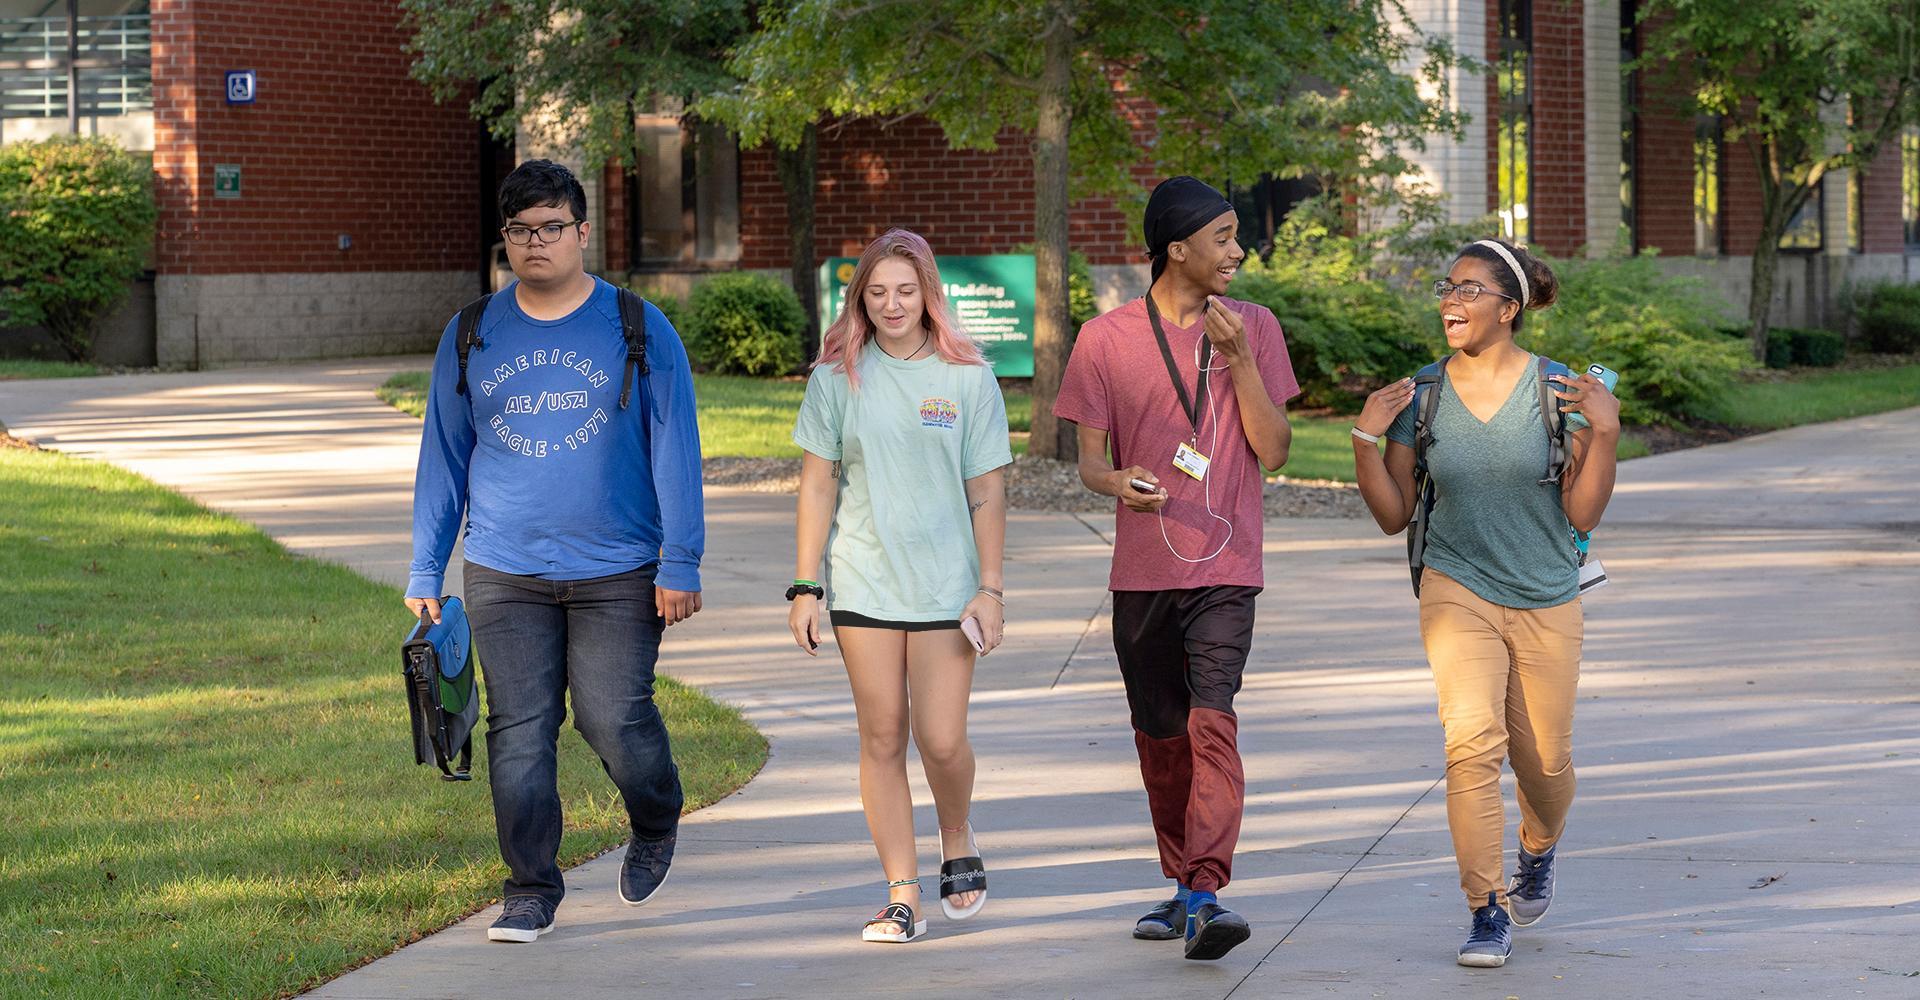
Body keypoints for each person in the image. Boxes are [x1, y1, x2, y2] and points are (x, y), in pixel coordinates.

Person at [406, 159, 705, 944]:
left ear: (580, 231)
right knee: (519, 730)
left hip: (620, 568)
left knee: (614, 720)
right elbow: (443, 454)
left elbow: (676, 444)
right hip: (506, 567)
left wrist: (682, 561)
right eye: (519, 231)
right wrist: (424, 567)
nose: (535, 243)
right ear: (505, 240)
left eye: (550, 228)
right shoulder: (472, 332)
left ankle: (656, 814)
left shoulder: (637, 325)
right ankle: (531, 887)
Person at [1349, 237, 1620, 968]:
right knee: (1470, 745)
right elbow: (1394, 514)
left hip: (1546, 591)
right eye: (1448, 286)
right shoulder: (1423, 393)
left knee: (1547, 765)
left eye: (1469, 289)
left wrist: (1609, 431)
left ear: (1509, 308)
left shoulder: (1558, 391)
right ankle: (1485, 908)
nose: (1451, 300)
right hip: (1455, 584)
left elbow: (1585, 514)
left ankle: (1539, 846)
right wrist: (1363, 444)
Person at [1053, 176, 1299, 961]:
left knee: (1212, 723)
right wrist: (1118, 483)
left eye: (1236, 237)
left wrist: (1238, 360)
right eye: (1223, 237)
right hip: (1143, 572)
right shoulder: (1104, 339)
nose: (1238, 251)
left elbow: (1277, 449)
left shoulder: (1253, 326)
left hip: (1228, 566)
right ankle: (1181, 879)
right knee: (1160, 735)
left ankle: (1205, 891)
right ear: (1177, 248)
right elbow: (1089, 465)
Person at [787, 228, 1010, 944]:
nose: (891, 304)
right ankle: (901, 894)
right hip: (862, 583)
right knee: (882, 735)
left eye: (905, 291)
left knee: (941, 740)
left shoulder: (969, 378)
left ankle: (956, 833)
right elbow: (818, 485)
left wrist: (991, 588)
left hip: (948, 589)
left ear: (929, 295)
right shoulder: (836, 378)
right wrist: (804, 584)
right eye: (877, 292)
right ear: (860, 298)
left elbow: (988, 492)